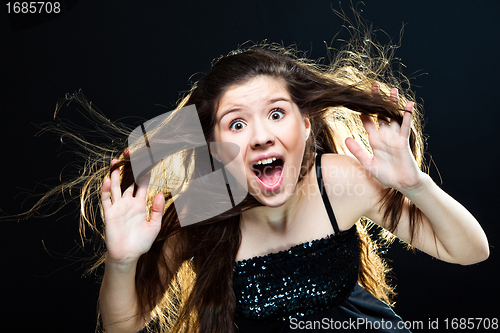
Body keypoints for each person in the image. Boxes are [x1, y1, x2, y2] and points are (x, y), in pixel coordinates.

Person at [75, 39, 488, 333]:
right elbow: (121, 326)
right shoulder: (200, 210)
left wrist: (415, 184)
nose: (260, 136)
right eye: (237, 123)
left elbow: (471, 251)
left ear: (305, 125)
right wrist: (122, 261)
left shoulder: (338, 180)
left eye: (276, 114)